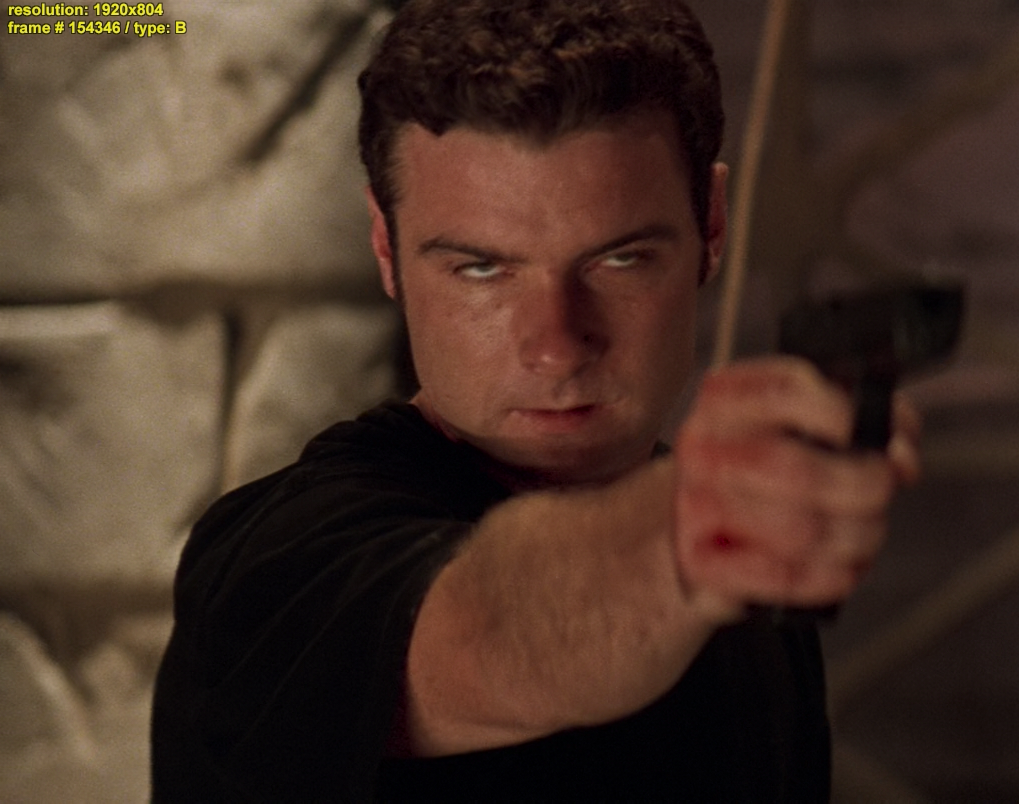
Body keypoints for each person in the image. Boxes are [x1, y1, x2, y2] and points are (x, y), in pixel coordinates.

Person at [149, 0, 917, 799]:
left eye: (620, 260)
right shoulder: (279, 563)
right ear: (385, 247)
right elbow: (488, 634)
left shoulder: (741, 597)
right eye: (481, 269)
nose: (555, 343)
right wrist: (696, 533)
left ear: (712, 227)